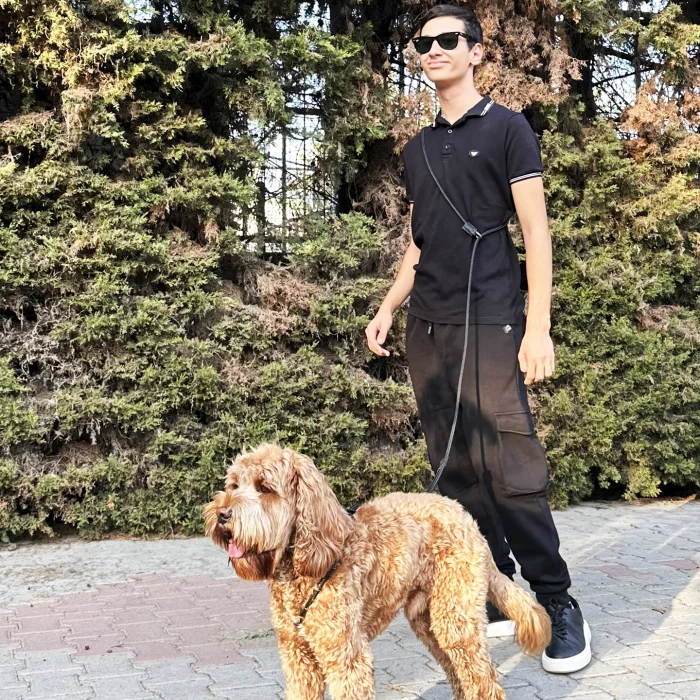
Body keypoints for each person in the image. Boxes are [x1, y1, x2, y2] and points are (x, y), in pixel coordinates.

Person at [364, 4, 592, 674]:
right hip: (429, 328)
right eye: (422, 42)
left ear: (476, 52)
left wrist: (538, 325)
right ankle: (495, 590)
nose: (432, 49)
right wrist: (388, 308)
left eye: (447, 39)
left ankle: (558, 603)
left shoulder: (509, 129)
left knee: (511, 467)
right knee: (457, 469)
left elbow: (536, 232)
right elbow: (420, 243)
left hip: (493, 319)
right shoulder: (417, 149)